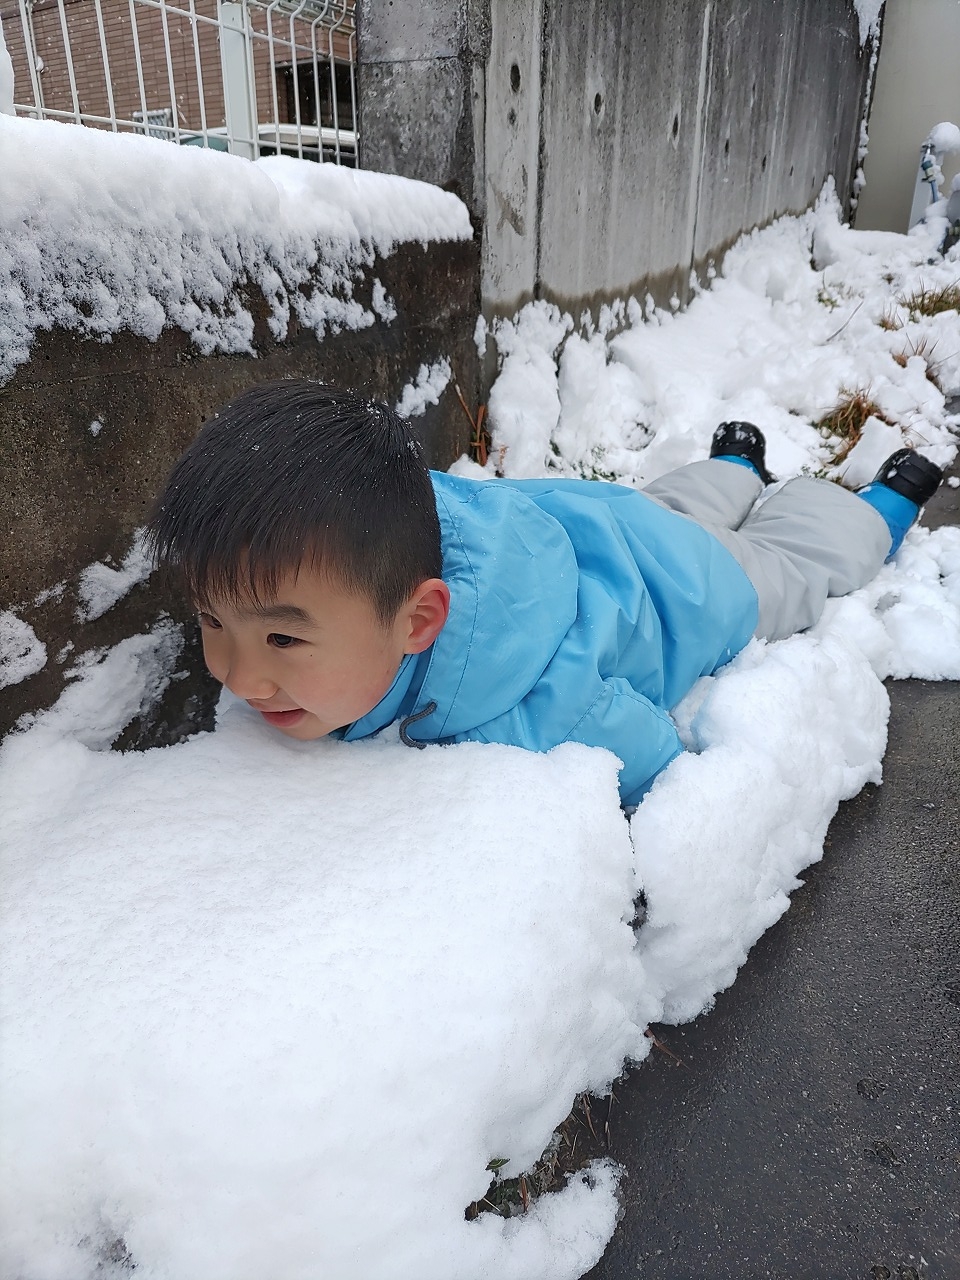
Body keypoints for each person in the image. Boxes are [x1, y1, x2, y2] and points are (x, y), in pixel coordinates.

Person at [147, 380, 944, 808]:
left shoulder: (536, 706)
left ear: (421, 619)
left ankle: (874, 505)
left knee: (787, 561)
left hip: (699, 587)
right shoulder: (370, 530)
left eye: (282, 640)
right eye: (212, 619)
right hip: (609, 527)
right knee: (667, 506)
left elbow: (660, 765)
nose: (239, 676)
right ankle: (734, 469)